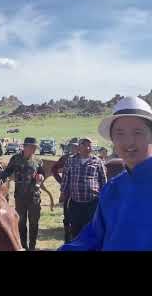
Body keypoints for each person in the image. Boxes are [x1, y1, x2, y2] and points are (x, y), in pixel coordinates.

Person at [59, 96, 152, 250]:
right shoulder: (112, 189)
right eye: (120, 133)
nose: (129, 141)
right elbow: (93, 237)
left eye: (138, 132)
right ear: (112, 140)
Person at [0, 137, 45, 251]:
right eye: (32, 147)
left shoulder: (38, 161)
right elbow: (6, 173)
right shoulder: (15, 159)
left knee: (34, 223)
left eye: (35, 147)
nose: (34, 149)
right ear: (25, 147)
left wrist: (41, 177)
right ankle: (23, 246)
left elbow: (42, 174)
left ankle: (32, 247)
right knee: (21, 223)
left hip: (35, 197)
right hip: (20, 197)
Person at [59, 137, 107, 240]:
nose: (87, 147)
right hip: (75, 202)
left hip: (92, 202)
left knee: (92, 229)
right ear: (79, 147)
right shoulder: (71, 161)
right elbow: (65, 178)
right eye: (84, 144)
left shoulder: (97, 161)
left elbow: (103, 180)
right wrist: (62, 193)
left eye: (89, 145)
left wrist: (104, 197)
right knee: (75, 229)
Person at [52, 141, 79, 243]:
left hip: (82, 194)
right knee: (67, 217)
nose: (75, 149)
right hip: (68, 192)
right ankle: (67, 241)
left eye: (76, 147)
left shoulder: (85, 158)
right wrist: (61, 181)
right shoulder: (65, 158)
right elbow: (54, 169)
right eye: (73, 147)